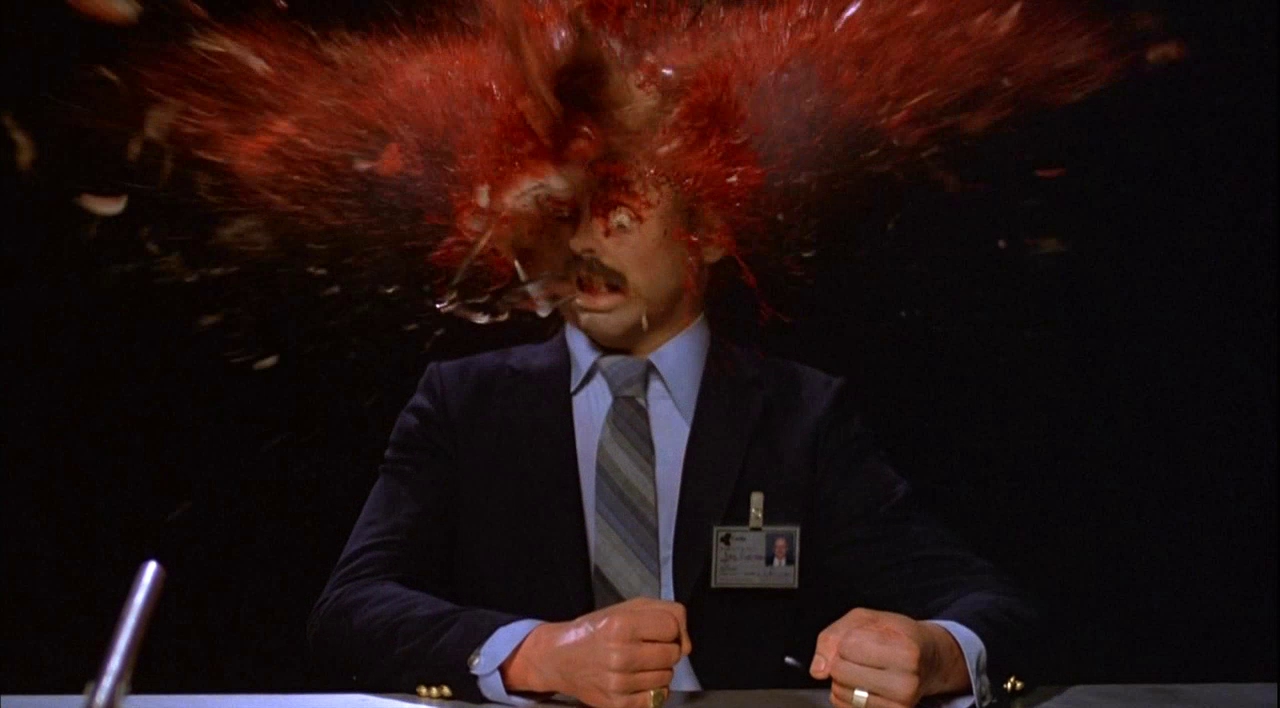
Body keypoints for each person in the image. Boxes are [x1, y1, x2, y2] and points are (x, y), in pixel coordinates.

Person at [307, 178, 1037, 708]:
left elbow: (992, 606)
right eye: (570, 213)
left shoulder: (803, 414)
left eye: (621, 210)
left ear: (710, 231)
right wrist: (537, 654)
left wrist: (933, 654)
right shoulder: (463, 403)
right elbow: (351, 607)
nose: (584, 242)